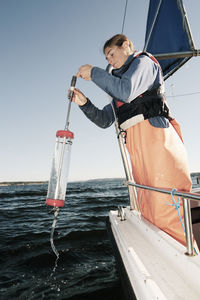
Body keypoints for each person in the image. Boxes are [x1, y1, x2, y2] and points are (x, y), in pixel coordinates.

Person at [71, 34, 192, 246]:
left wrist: (93, 72)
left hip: (156, 139)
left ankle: (188, 260)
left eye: (111, 53)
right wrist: (84, 103)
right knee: (148, 204)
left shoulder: (143, 62)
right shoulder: (121, 90)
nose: (109, 60)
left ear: (126, 45)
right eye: (106, 57)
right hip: (136, 147)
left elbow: (125, 91)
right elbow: (104, 120)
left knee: (166, 204)